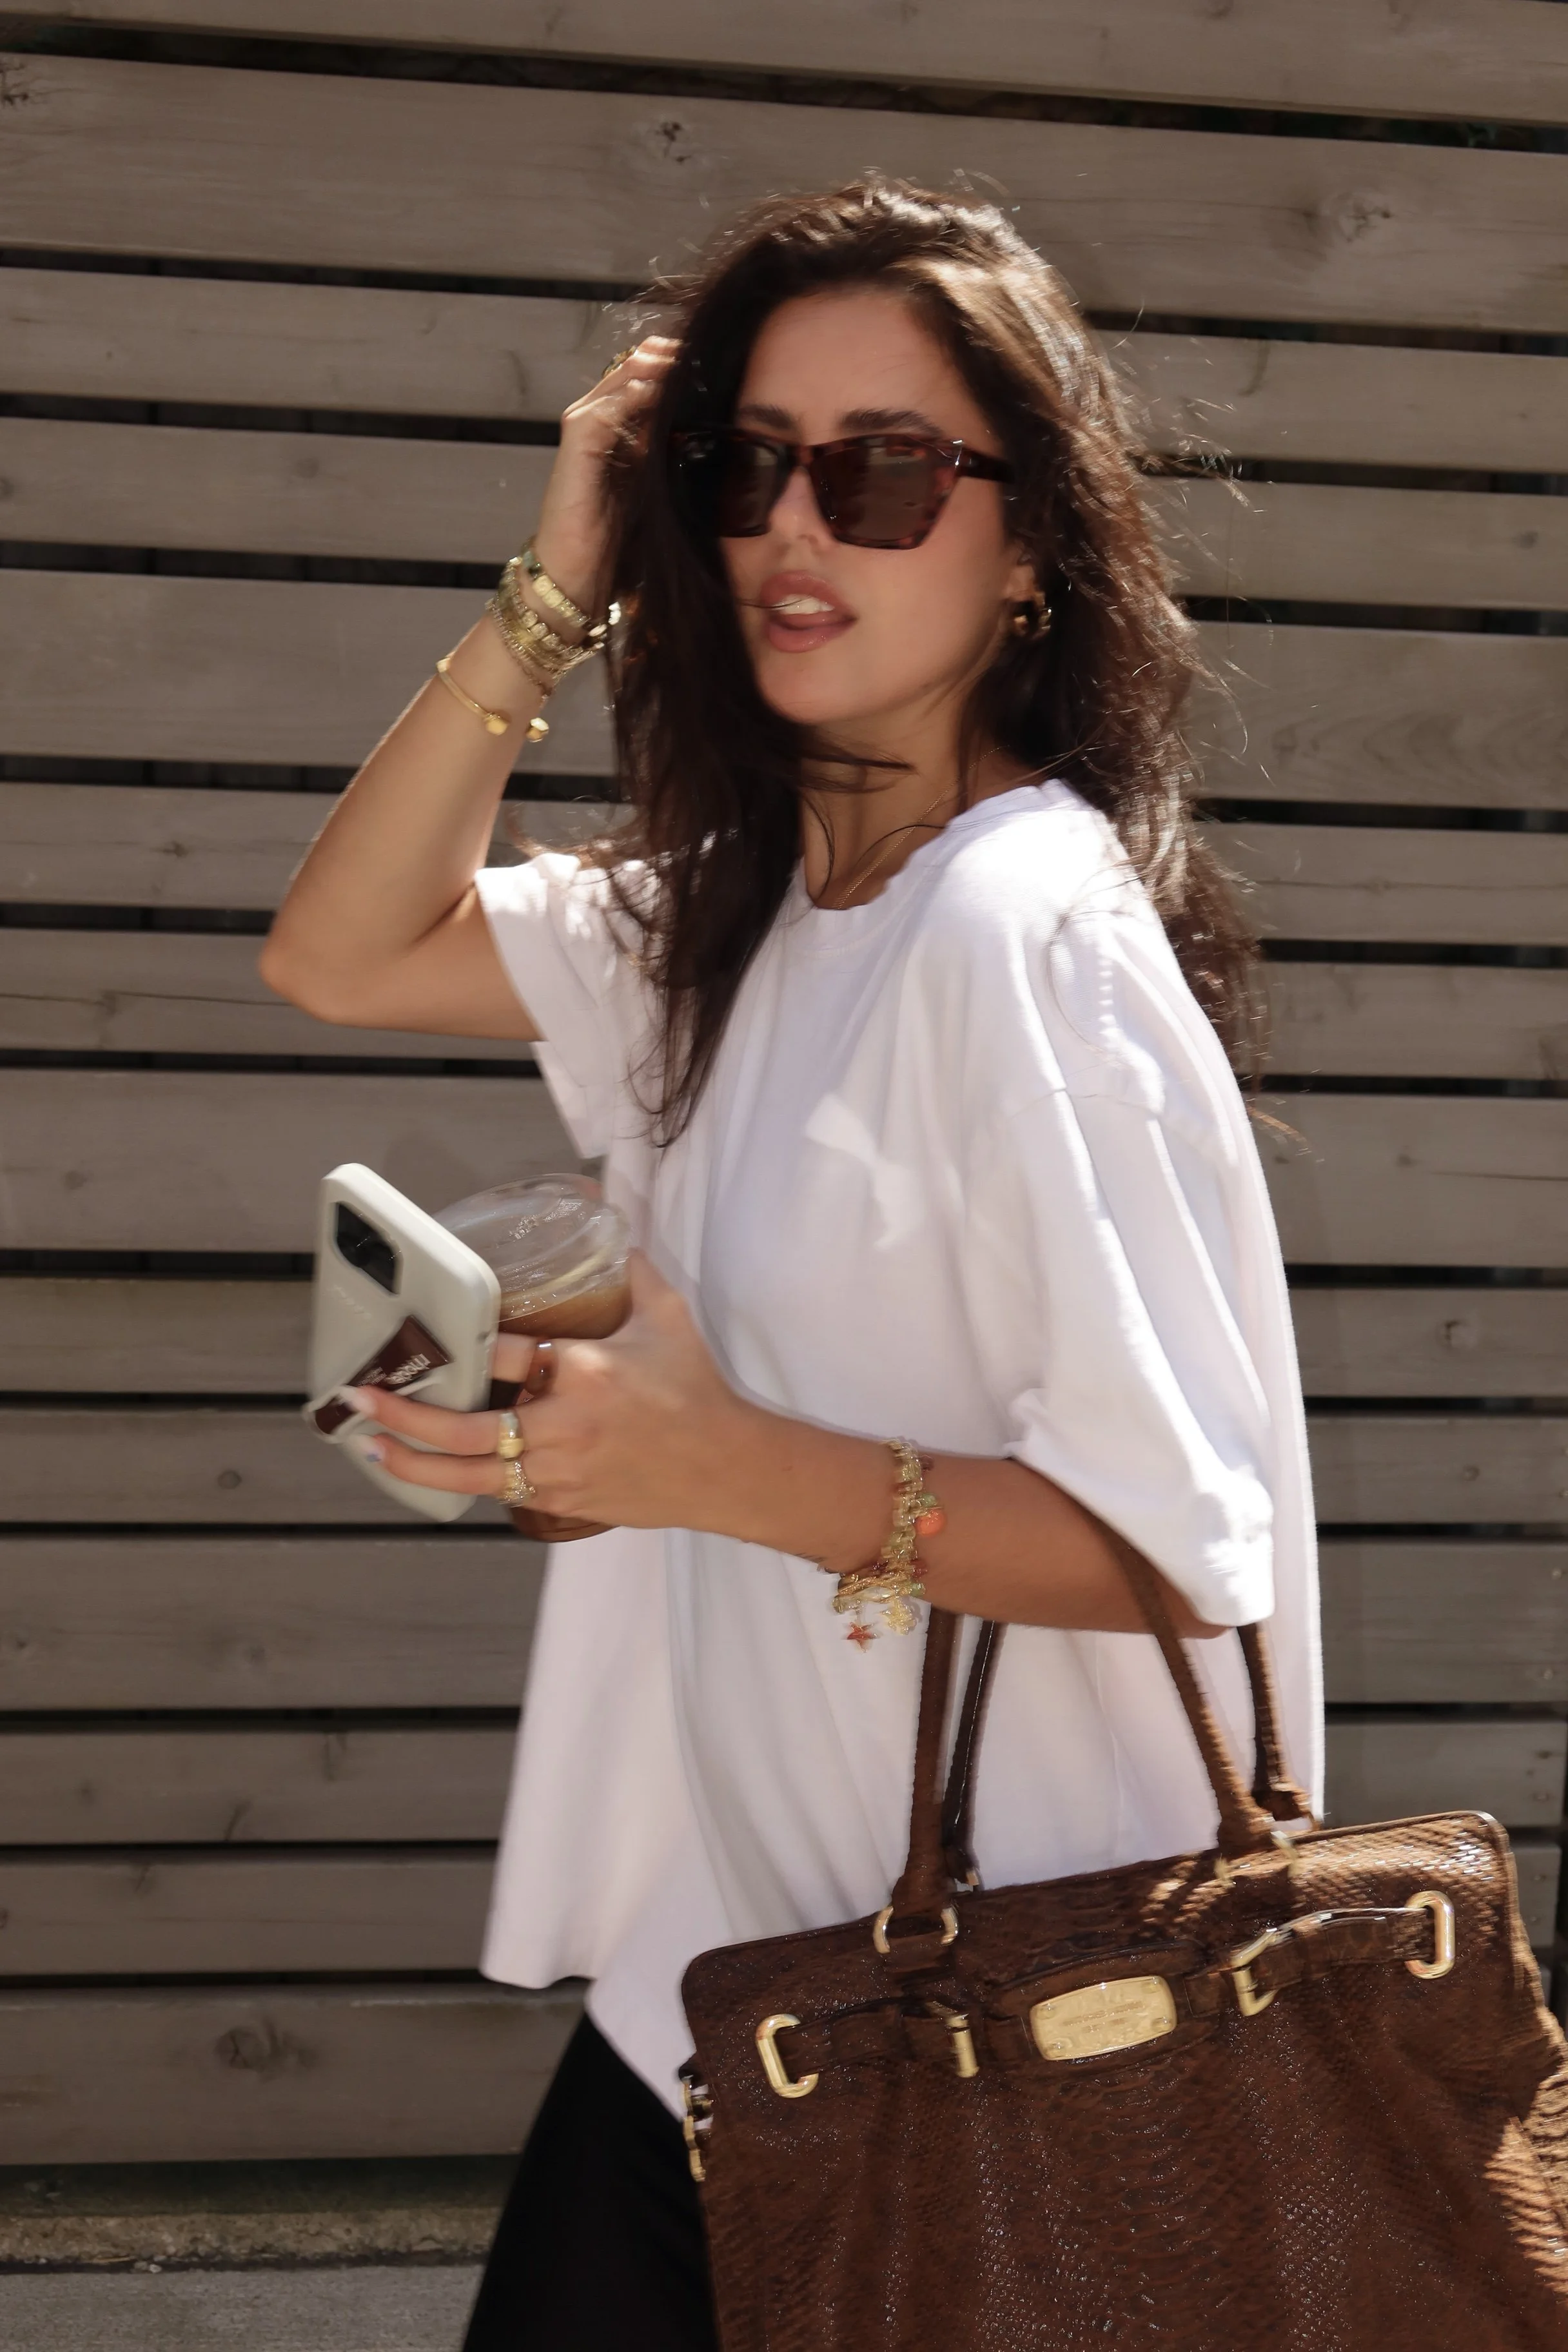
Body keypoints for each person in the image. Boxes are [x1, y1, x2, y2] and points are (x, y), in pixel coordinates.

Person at [260, 179, 1321, 2351]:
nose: (795, 529)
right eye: (742, 466)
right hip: (732, 1982)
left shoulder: (1022, 929)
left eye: (888, 471)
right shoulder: (733, 921)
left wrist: (705, 1462)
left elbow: (1176, 1540)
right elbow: (344, 949)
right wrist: (561, 582)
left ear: (1033, 547)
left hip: (1027, 2016)